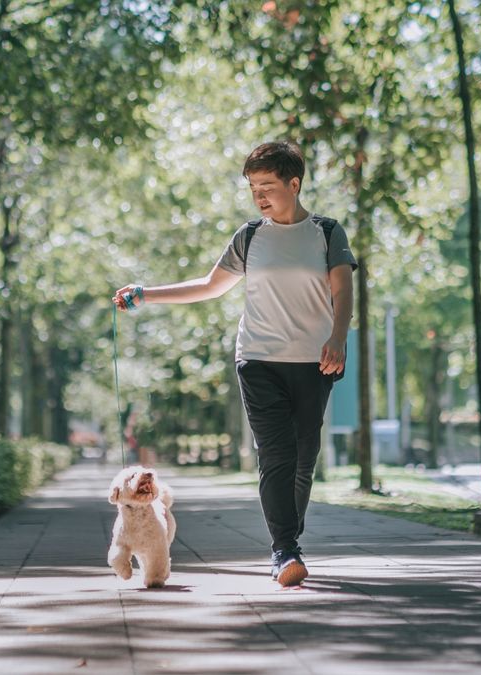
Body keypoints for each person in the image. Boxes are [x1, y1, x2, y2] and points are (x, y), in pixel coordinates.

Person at [113, 140, 357, 587]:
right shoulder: (250, 237)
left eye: (267, 185)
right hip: (258, 359)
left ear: (294, 183)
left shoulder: (326, 232)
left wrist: (338, 337)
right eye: (252, 187)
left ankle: (289, 537)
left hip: (313, 361)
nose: (259, 195)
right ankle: (284, 550)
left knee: (305, 457)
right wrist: (147, 293)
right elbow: (209, 285)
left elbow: (342, 292)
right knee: (277, 455)